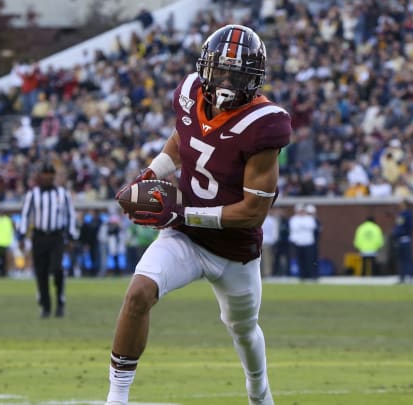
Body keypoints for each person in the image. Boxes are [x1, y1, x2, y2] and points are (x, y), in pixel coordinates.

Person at [106, 25, 290, 405]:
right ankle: (116, 399)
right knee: (139, 293)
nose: (226, 81)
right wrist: (152, 174)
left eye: (237, 75)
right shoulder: (190, 93)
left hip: (234, 250)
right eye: (221, 71)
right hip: (185, 238)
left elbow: (254, 212)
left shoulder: (265, 125)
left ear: (254, 80)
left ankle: (260, 394)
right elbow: (182, 140)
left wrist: (183, 214)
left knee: (243, 329)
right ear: (205, 69)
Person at [19, 162, 77, 318]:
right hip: (39, 236)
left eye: (50, 174)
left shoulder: (63, 194)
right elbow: (26, 215)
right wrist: (22, 235)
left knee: (57, 268)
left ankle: (60, 301)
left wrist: (71, 236)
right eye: (44, 174)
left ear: (53, 176)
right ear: (40, 176)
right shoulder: (33, 194)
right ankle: (45, 306)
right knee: (41, 273)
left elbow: (70, 215)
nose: (47, 177)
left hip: (56, 236)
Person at [289, 204, 320, 280]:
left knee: (310, 260)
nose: (301, 212)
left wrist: (302, 226)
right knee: (300, 260)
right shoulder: (293, 219)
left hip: (308, 242)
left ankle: (312, 275)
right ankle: (302, 275)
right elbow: (294, 228)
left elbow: (311, 227)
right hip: (298, 243)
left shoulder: (309, 218)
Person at [392, 199, 413, 284]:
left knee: (407, 259)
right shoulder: (401, 214)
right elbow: (398, 225)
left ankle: (410, 276)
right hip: (399, 239)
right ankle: (402, 277)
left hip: (405, 239)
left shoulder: (408, 214)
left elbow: (409, 227)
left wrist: (399, 232)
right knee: (401, 259)